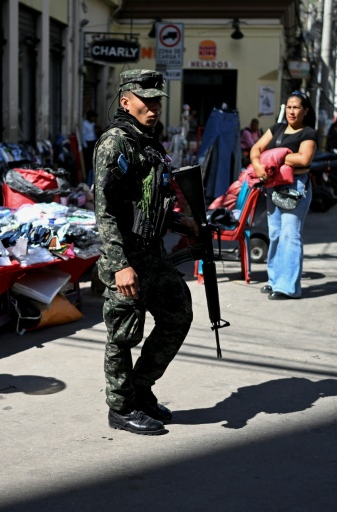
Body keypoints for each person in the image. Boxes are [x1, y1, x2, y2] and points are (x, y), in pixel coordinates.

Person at [94, 69, 199, 436]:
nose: (153, 107)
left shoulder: (148, 142)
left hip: (152, 253)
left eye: (157, 101)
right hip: (124, 256)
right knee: (123, 334)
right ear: (126, 101)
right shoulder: (115, 143)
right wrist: (120, 265)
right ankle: (120, 408)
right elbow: (105, 211)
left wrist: (178, 220)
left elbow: (147, 201)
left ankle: (141, 388)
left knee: (177, 313)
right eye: (146, 101)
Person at [250, 91, 318, 300]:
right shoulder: (277, 129)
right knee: (276, 235)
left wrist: (275, 157)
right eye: (289, 107)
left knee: (290, 235)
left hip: (295, 187)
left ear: (305, 111)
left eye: (296, 107)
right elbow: (256, 149)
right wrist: (258, 165)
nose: (291, 111)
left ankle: (289, 287)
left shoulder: (308, 133)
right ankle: (274, 280)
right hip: (274, 186)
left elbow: (304, 159)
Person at [81, 109, 98, 184]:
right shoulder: (84, 124)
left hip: (93, 142)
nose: (94, 119)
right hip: (88, 143)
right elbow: (83, 136)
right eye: (93, 117)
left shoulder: (93, 124)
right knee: (88, 162)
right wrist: (85, 145)